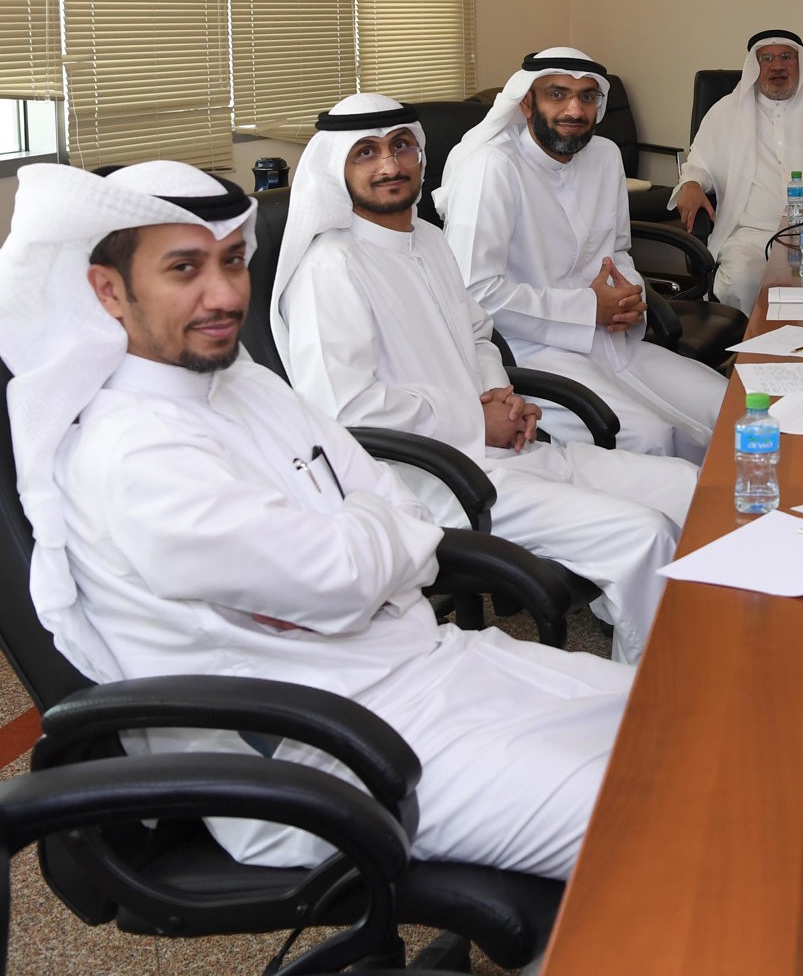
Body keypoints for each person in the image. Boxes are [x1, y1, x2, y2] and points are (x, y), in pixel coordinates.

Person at [0, 160, 629, 878]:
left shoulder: (246, 384)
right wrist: (374, 550)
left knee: (684, 725)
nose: (224, 294)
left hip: (427, 666)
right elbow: (346, 571)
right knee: (652, 820)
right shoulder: (131, 452)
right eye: (184, 269)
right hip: (327, 754)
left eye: (232, 260)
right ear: (109, 290)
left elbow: (393, 511)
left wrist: (367, 556)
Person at [274, 93, 695, 664]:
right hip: (434, 482)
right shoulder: (331, 268)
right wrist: (476, 419)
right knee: (642, 535)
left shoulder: (427, 239)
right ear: (336, 170)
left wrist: (502, 397)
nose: (390, 164)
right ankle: (655, 692)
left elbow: (477, 335)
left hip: (506, 451)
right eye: (365, 153)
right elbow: (346, 411)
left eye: (401, 146)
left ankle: (696, 651)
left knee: (688, 487)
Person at [437, 47, 726, 460]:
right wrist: (588, 309)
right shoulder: (492, 168)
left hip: (613, 339)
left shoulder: (604, 156)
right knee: (650, 437)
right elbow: (473, 293)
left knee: (729, 407)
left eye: (587, 96)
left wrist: (628, 297)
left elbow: (618, 250)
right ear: (526, 102)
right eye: (557, 94)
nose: (574, 110)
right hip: (534, 349)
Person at [670, 29, 803, 312]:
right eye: (767, 58)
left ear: (800, 63)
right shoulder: (726, 111)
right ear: (754, 67)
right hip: (751, 234)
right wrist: (691, 184)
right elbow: (698, 165)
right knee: (742, 279)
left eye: (786, 57)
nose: (777, 66)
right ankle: (746, 341)